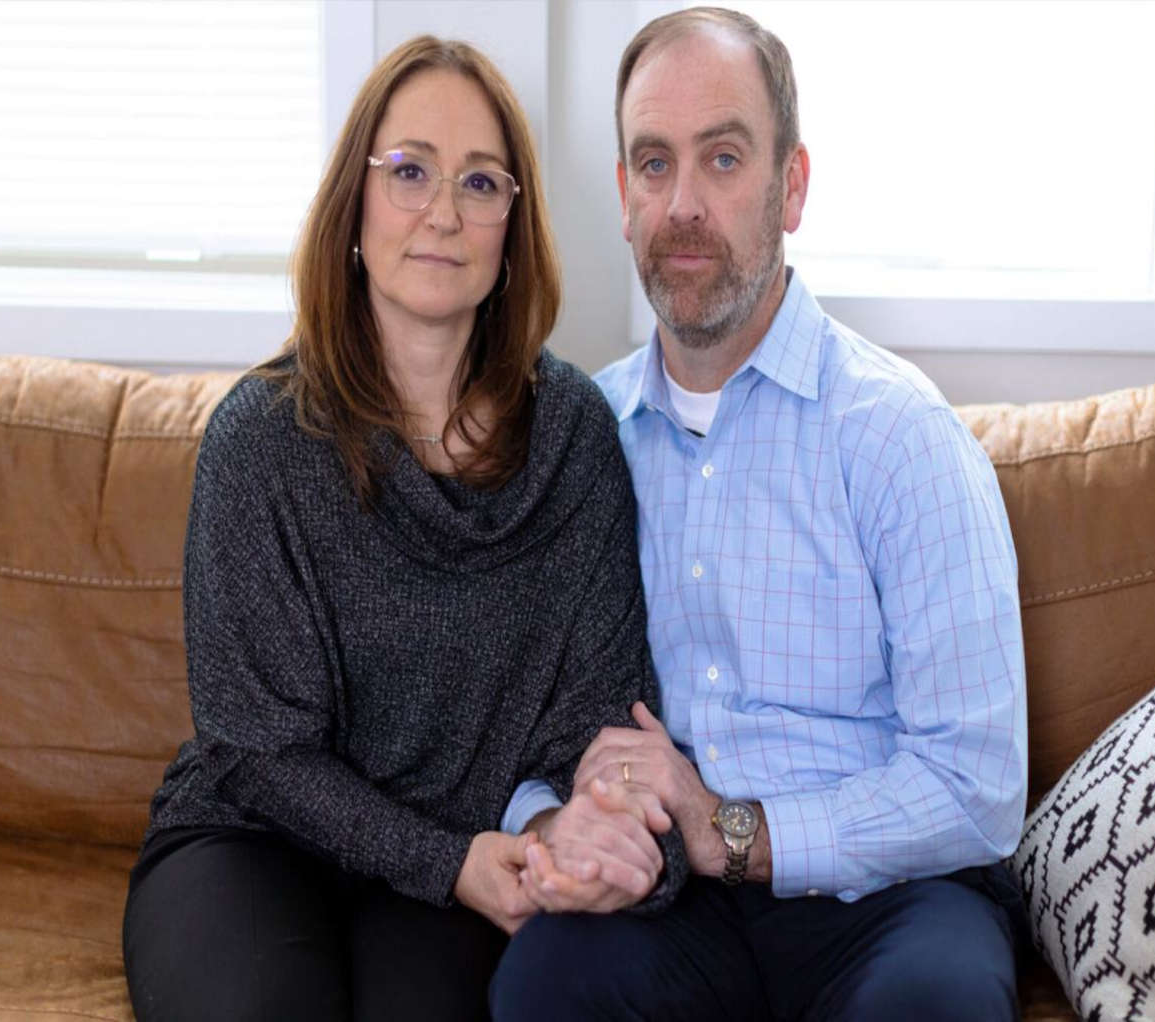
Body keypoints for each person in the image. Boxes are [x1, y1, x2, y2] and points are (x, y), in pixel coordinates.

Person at [121, 36, 686, 1022]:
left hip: (464, 863)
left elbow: (595, 713)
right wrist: (446, 859)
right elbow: (254, 749)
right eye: (410, 171)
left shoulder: (574, 437)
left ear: (513, 227)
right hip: (255, 839)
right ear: (355, 204)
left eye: (481, 182)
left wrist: (566, 832)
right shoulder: (260, 438)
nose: (443, 213)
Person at [491, 8, 1028, 1021]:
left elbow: (978, 786)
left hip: (885, 900)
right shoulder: (579, 435)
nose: (684, 205)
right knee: (542, 983)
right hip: (666, 902)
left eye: (724, 158)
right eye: (655, 163)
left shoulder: (901, 436)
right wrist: (554, 824)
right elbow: (511, 724)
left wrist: (729, 830)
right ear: (623, 195)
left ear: (793, 186)